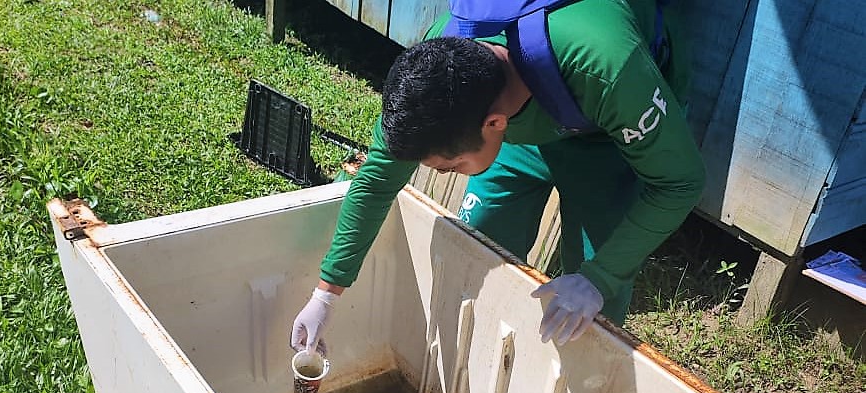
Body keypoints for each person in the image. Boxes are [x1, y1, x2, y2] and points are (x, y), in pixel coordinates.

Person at [291, 0, 705, 354]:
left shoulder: (609, 68)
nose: (449, 174)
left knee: (591, 311)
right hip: (524, 122)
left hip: (606, 130)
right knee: (477, 246)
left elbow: (680, 182)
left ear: (493, 123)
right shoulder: (437, 69)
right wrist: (327, 293)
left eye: (449, 168)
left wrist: (600, 278)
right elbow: (377, 180)